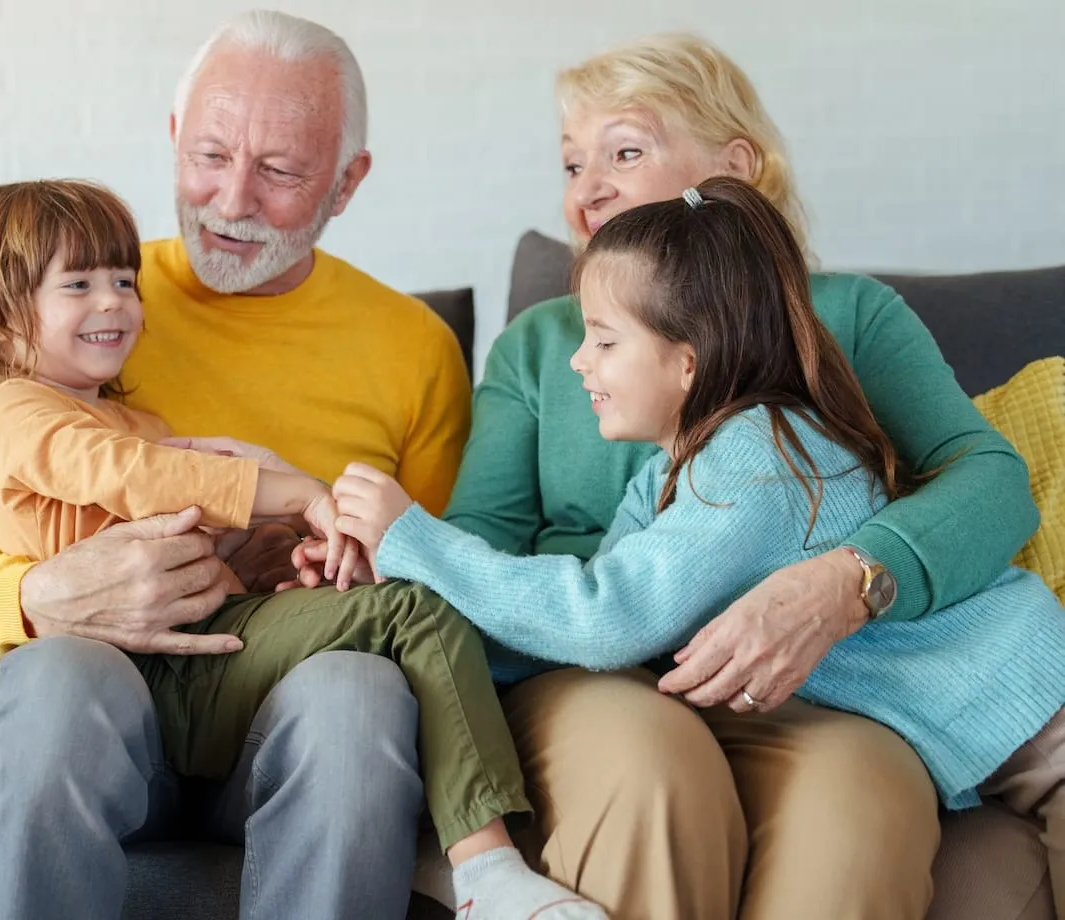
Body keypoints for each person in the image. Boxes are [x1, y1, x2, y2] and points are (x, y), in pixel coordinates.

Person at [294, 33, 1042, 920]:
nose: (587, 189)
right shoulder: (544, 352)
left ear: (737, 169)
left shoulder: (817, 356)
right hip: (593, 660)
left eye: (625, 150)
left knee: (861, 796)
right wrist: (398, 562)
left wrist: (846, 582)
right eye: (573, 163)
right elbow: (552, 580)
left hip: (802, 673)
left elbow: (991, 480)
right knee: (654, 765)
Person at [0, 177, 603, 920]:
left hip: (209, 673)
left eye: (123, 281)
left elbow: (196, 531)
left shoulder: (145, 421)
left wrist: (284, 553)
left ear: (346, 176)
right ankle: (486, 867)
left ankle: (484, 867)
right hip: (128, 688)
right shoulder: (14, 408)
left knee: (377, 651)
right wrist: (293, 489)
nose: (115, 301)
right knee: (411, 611)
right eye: (80, 285)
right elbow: (129, 478)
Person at [0, 12, 472, 920]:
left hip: (268, 707)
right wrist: (33, 599)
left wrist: (296, 560)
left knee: (362, 687)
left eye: (281, 171)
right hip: (101, 713)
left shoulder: (415, 350)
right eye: (212, 156)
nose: (231, 201)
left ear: (348, 182)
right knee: (58, 676)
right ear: (175, 136)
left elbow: (424, 571)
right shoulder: (50, 312)